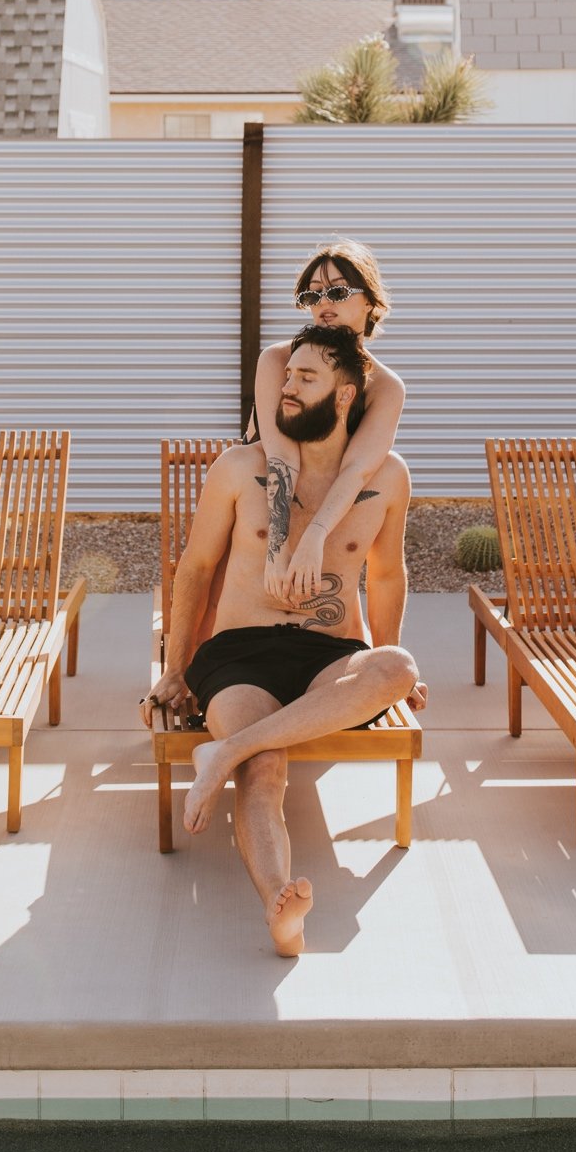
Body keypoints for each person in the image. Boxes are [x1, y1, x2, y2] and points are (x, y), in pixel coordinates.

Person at [146, 322, 424, 956]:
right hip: (238, 655)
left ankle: (222, 753)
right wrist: (174, 665)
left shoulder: (388, 479)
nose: (287, 389)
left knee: (397, 668)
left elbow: (385, 574)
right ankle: (280, 906)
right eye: (287, 374)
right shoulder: (241, 468)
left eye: (306, 377)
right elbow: (194, 570)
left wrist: (390, 646)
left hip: (332, 657)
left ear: (347, 395)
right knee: (264, 768)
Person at [252, 241, 406, 609]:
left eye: (336, 292)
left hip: (331, 524)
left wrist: (314, 537)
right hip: (259, 506)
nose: (323, 303)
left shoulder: (385, 387)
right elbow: (280, 454)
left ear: (369, 300)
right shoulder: (277, 360)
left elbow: (358, 468)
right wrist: (279, 543)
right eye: (312, 295)